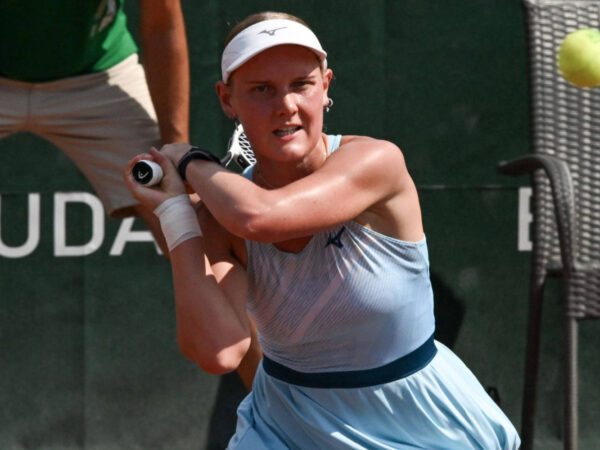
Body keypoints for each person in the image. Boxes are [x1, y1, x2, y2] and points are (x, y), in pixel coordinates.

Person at [124, 11, 521, 449]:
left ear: (326, 86)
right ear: (226, 99)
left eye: (301, 84)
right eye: (261, 90)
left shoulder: (376, 161)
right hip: (285, 426)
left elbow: (259, 217)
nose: (285, 105)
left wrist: (190, 160)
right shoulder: (221, 213)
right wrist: (178, 214)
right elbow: (218, 351)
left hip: (417, 419)